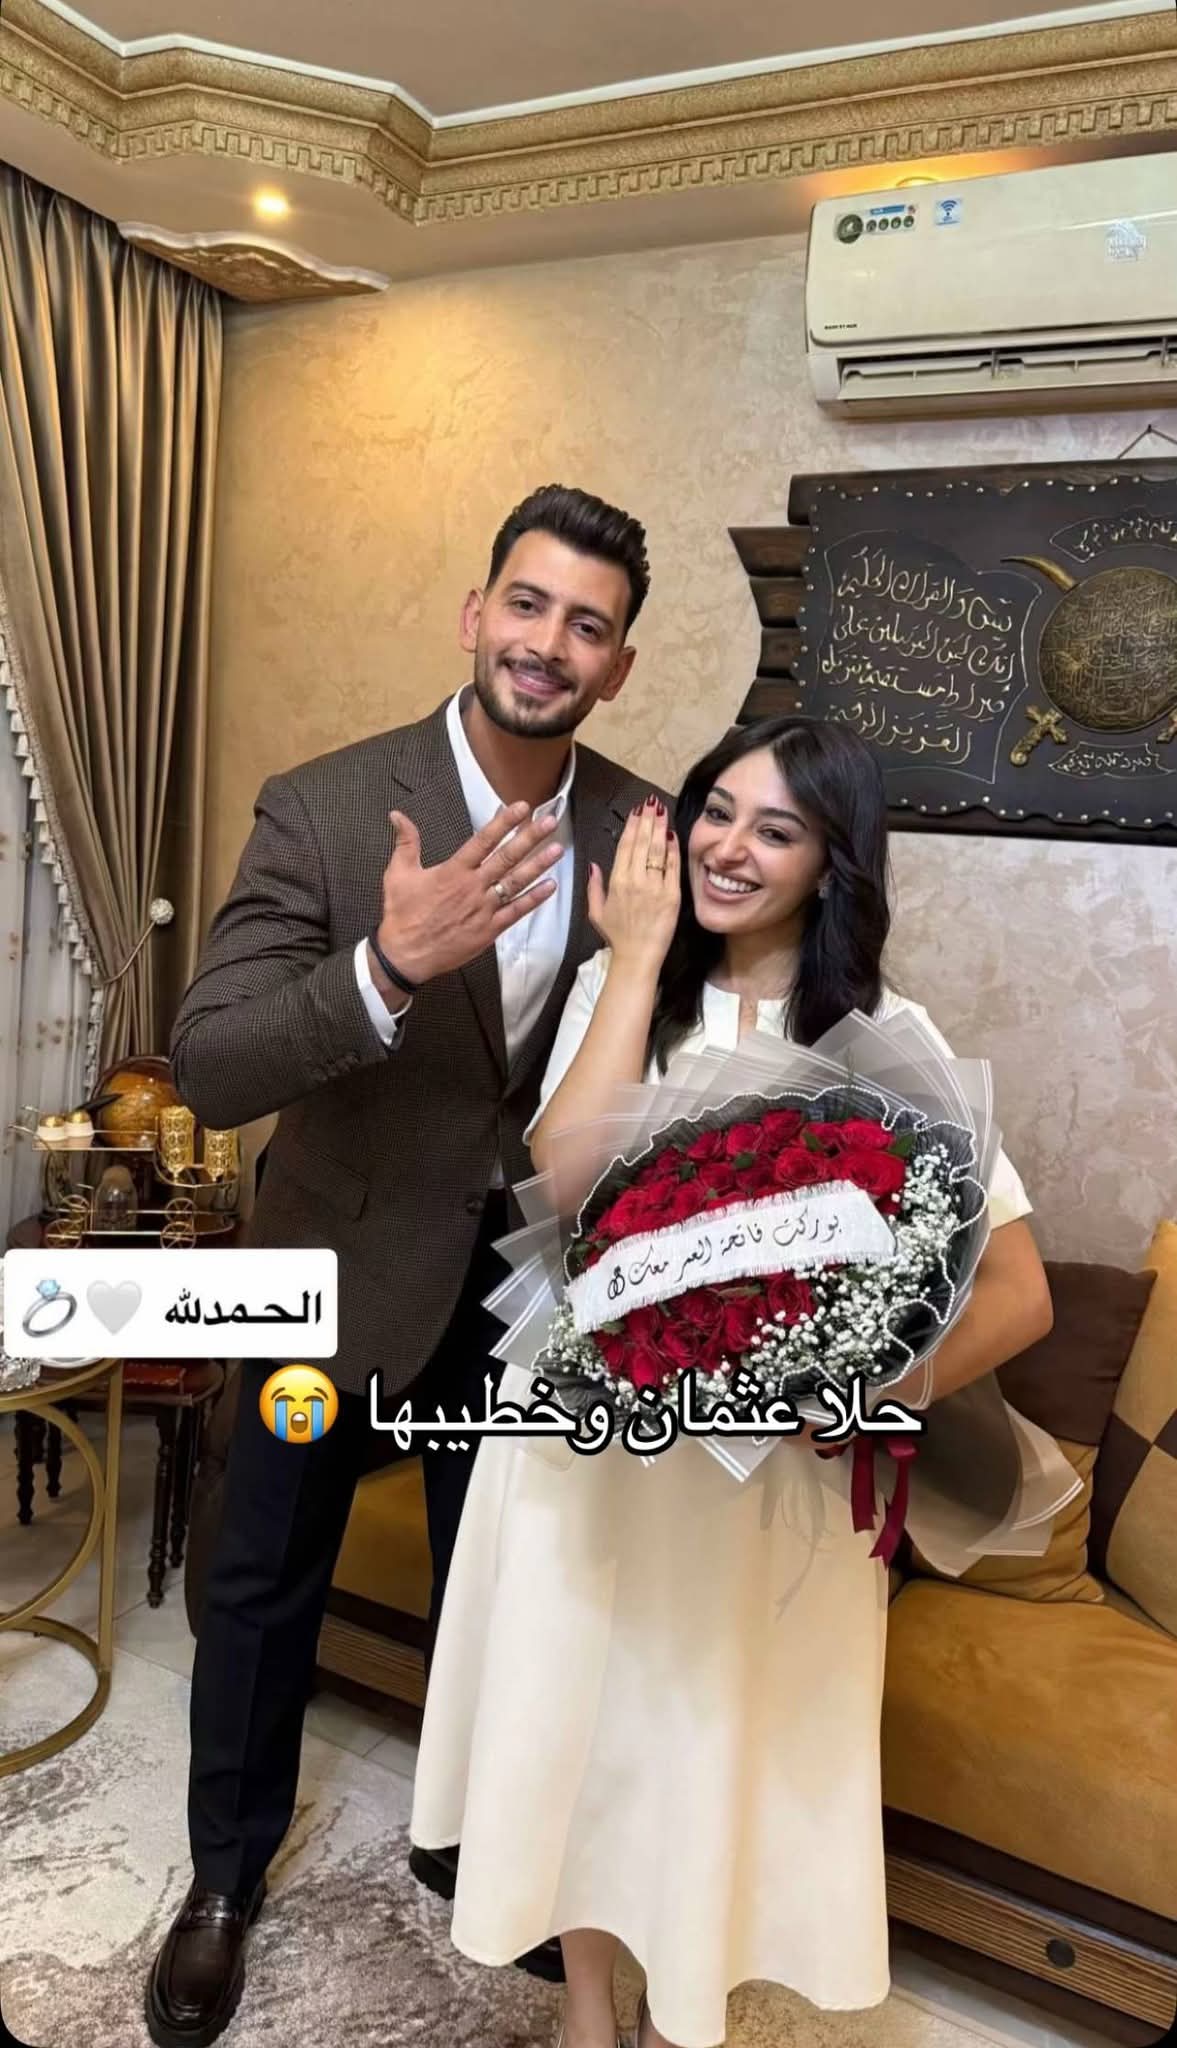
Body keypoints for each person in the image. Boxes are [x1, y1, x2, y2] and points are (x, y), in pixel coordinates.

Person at [409, 715, 1055, 2048]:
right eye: (715, 810)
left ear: (832, 863)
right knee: (578, 1732)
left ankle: (685, 2009)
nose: (729, 847)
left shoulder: (887, 1038)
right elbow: (564, 1186)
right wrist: (637, 960)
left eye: (776, 829)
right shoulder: (620, 991)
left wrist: (869, 1383)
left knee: (708, 1754)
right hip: (581, 1458)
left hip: (765, 1499)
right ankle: (590, 2008)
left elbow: (1019, 1293)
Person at [145, 484, 668, 2048]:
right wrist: (384, 966)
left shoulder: (641, 829)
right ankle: (222, 1882)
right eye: (528, 604)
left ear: (616, 665)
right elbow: (211, 1064)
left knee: (500, 1591)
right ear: (474, 614)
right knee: (262, 1580)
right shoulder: (324, 807)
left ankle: (467, 1852)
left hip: (518, 1302)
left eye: (586, 625)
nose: (548, 643)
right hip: (330, 1277)